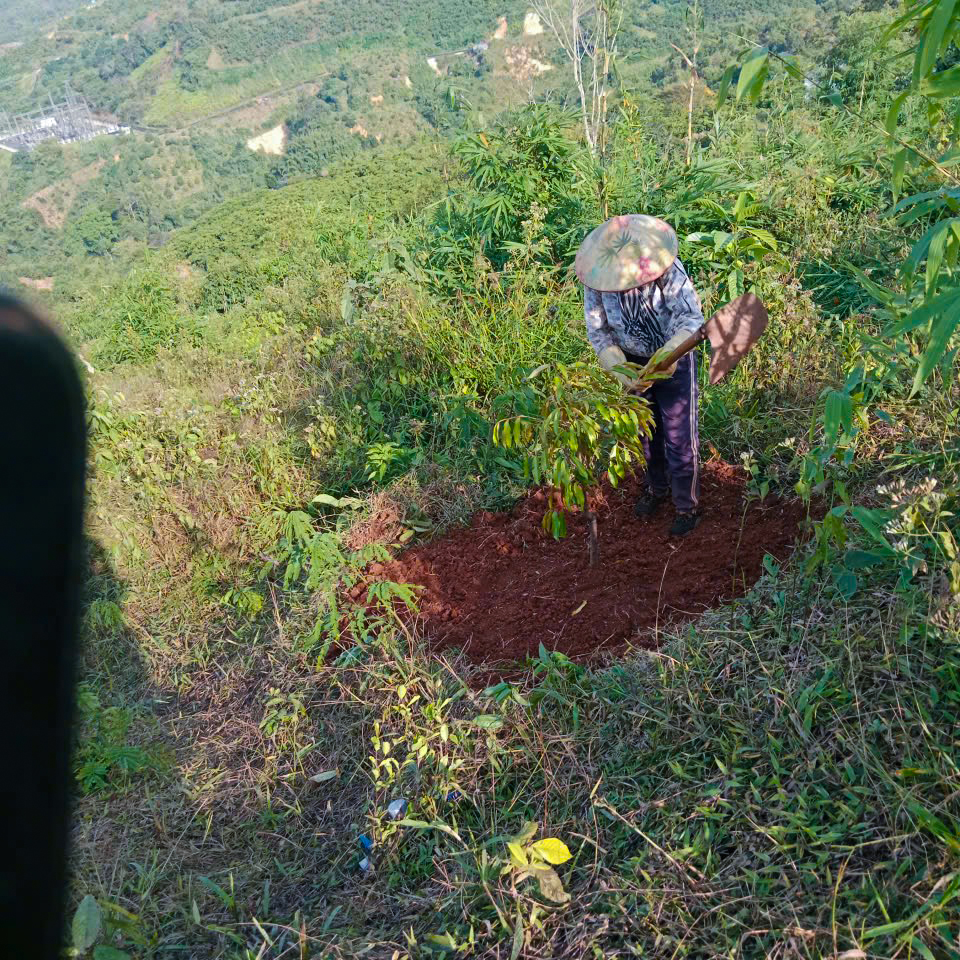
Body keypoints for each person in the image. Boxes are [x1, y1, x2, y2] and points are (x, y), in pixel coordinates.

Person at [575, 214, 704, 537]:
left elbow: (690, 318)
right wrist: (620, 370)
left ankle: (686, 506)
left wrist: (669, 354)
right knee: (646, 432)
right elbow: (599, 332)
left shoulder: (666, 269)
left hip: (673, 356)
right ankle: (656, 488)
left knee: (678, 434)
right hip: (631, 360)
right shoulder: (597, 279)